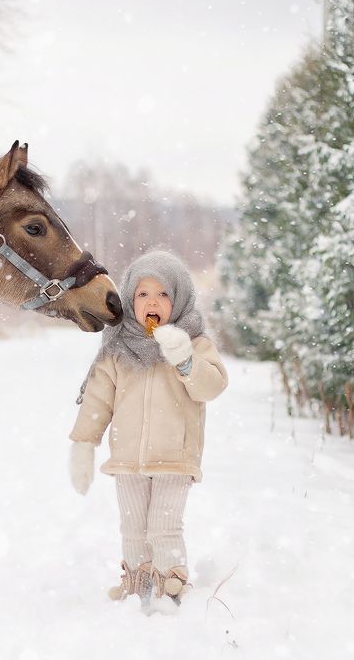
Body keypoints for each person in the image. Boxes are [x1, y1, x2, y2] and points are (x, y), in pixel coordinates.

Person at [69, 250, 227, 606]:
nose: (152, 302)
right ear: (129, 298)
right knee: (133, 526)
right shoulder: (118, 348)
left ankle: (170, 583)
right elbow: (98, 400)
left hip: (175, 458)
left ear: (180, 296)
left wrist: (185, 361)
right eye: (142, 294)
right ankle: (138, 582)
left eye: (162, 294)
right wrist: (83, 443)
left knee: (164, 526)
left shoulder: (195, 343)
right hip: (128, 459)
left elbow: (212, 386)